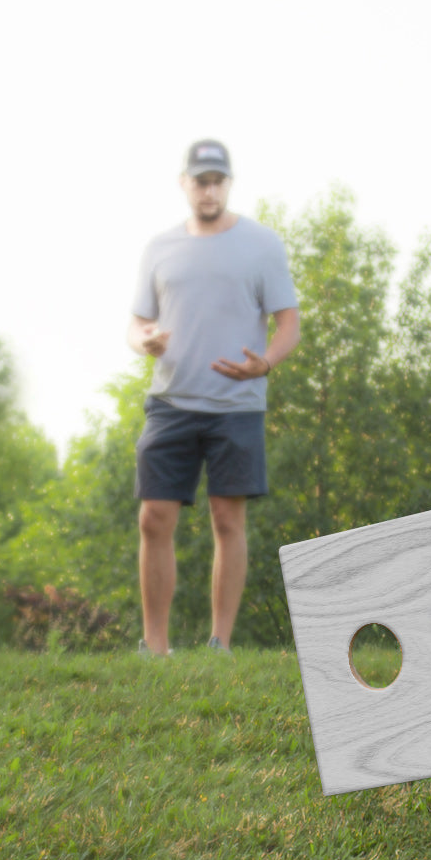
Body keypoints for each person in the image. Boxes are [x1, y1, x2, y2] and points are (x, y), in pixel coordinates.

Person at [128, 138, 300, 656]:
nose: (208, 189)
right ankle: (155, 646)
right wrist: (145, 341)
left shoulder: (262, 244)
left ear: (228, 184)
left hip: (236, 405)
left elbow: (289, 322)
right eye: (200, 180)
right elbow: (137, 323)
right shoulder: (159, 247)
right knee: (153, 517)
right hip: (170, 403)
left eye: (217, 180)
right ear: (185, 184)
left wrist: (265, 362)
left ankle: (219, 643)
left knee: (228, 519)